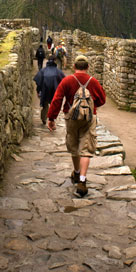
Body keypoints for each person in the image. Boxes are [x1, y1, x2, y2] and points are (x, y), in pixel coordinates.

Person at [47, 55, 106, 197]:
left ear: (74, 67)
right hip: (89, 119)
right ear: (87, 67)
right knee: (86, 149)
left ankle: (77, 172)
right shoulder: (93, 82)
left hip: (71, 118)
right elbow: (102, 99)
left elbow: (57, 99)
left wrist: (51, 118)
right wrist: (91, 107)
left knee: (74, 146)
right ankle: (82, 181)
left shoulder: (67, 80)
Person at [33, 55, 65, 124]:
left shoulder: (43, 71)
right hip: (55, 91)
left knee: (45, 105)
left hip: (44, 91)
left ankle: (44, 118)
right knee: (53, 105)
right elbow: (63, 82)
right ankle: (51, 119)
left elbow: (38, 82)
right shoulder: (58, 72)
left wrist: (38, 91)